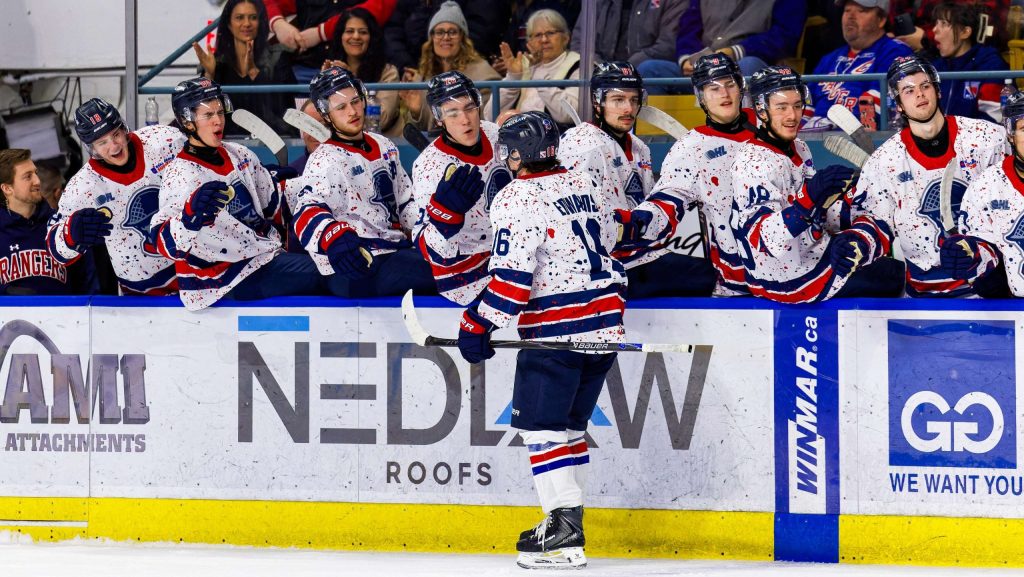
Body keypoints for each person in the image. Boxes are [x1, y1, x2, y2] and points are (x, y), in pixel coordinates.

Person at [456, 111, 625, 570]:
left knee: (541, 430)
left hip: (557, 332)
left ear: (519, 153)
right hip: (605, 326)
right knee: (569, 430)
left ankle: (564, 527)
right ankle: (567, 533)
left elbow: (512, 282)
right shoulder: (585, 181)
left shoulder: (516, 196)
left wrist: (477, 322)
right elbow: (610, 240)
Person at [150, 77, 332, 311]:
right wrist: (188, 218)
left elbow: (274, 203)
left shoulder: (238, 153)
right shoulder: (180, 175)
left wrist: (306, 182)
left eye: (220, 112)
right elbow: (160, 239)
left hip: (260, 259)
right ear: (187, 121)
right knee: (328, 271)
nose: (218, 121)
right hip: (221, 279)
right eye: (208, 115)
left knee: (329, 260)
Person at [731, 66, 904, 303]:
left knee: (871, 236)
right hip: (786, 281)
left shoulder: (799, 147)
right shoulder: (753, 163)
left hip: (805, 257)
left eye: (797, 105)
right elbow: (765, 239)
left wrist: (854, 198)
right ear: (761, 109)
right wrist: (811, 196)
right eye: (782, 107)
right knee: (893, 274)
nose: (792, 116)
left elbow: (818, 213)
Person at [843, 55, 1006, 298]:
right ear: (899, 104)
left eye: (925, 86)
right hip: (924, 295)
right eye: (908, 91)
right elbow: (875, 223)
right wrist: (859, 242)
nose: (919, 94)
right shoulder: (884, 161)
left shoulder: (987, 138)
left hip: (990, 290)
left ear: (938, 91)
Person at [560, 61, 716, 298]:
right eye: (618, 100)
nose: (628, 108)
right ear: (597, 101)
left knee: (711, 268)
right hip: (606, 264)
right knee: (706, 275)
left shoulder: (640, 147)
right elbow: (575, 218)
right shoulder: (581, 145)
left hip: (640, 253)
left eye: (634, 100)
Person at [290, 67, 437, 298]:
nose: (352, 111)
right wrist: (332, 237)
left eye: (355, 101)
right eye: (341, 107)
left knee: (451, 258)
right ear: (326, 115)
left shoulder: (384, 145)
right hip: (357, 263)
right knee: (448, 272)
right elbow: (306, 213)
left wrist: (434, 221)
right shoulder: (324, 159)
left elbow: (405, 204)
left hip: (391, 251)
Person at [617, 53, 756, 296]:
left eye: (730, 84)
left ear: (741, 87)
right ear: (700, 96)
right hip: (740, 279)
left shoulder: (770, 128)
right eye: (713, 88)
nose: (724, 94)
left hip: (793, 264)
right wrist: (635, 222)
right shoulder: (691, 148)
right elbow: (666, 200)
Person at [47, 99, 183, 297]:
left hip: (196, 267)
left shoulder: (162, 140)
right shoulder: (83, 187)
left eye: (116, 135)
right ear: (91, 147)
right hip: (143, 290)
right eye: (102, 143)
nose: (114, 146)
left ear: (123, 128)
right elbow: (55, 250)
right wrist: (70, 235)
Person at [411, 71, 512, 305]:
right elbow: (429, 249)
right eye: (452, 113)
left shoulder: (495, 134)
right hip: (467, 271)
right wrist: (446, 216)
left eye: (469, 108)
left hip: (511, 252)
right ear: (439, 118)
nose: (465, 120)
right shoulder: (428, 167)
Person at [936, 91, 1024, 297]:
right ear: (1010, 134)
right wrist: (971, 254)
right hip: (1013, 308)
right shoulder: (986, 186)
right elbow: (985, 254)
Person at [638, 0, 804, 94]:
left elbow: (786, 36)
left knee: (749, 65)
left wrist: (737, 51)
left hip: (753, 63)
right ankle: (654, 138)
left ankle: (746, 134)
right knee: (650, 69)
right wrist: (688, 58)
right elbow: (688, 27)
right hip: (705, 67)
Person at [193, 0, 297, 138]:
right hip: (226, 142)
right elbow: (204, 115)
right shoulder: (217, 63)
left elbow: (284, 115)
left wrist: (255, 74)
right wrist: (209, 75)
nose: (247, 23)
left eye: (253, 17)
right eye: (239, 17)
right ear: (229, 24)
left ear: (261, 22)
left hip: (272, 142)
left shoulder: (278, 58)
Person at [0, 149, 97, 295]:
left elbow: (88, 285)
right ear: (7, 188)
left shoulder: (63, 225)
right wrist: (6, 292)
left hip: (64, 310)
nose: (37, 181)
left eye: (36, 173)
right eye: (28, 176)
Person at [805, 0, 912, 131]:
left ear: (881, 20)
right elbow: (806, 104)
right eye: (847, 10)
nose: (851, 16)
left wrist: (838, 130)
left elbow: (875, 110)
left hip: (859, 138)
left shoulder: (895, 51)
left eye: (861, 11)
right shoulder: (829, 58)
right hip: (814, 137)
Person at [399, 1, 501, 132]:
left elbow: (486, 122)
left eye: (452, 32)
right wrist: (417, 112)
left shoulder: (483, 74)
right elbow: (420, 130)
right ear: (432, 38)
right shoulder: (424, 74)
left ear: (462, 37)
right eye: (439, 32)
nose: (446, 37)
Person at [265, 0, 396, 83]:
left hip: (358, 70)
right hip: (306, 69)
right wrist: (278, 23)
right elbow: (266, 3)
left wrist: (321, 32)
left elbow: (381, 5)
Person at [494, 9, 580, 131]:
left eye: (551, 33)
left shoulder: (579, 65)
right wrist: (513, 77)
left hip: (557, 137)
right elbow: (490, 115)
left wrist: (539, 72)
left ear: (566, 38)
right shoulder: (523, 64)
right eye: (538, 35)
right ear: (529, 42)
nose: (544, 40)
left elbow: (568, 115)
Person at [323, 7, 401, 134]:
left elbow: (382, 119)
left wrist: (351, 81)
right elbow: (322, 118)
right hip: (343, 142)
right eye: (349, 31)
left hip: (383, 141)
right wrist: (323, 85)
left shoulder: (388, 72)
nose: (356, 36)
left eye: (363, 32)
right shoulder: (332, 71)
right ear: (340, 36)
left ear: (372, 37)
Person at [930, 2, 1008, 124]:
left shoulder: (991, 66)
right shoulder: (935, 67)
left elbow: (993, 120)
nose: (934, 29)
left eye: (944, 23)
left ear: (965, 32)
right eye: (936, 23)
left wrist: (955, 132)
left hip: (977, 136)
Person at [384, 0, 512, 72]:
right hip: (421, 70)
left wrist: (450, 62)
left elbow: (482, 31)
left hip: (464, 68)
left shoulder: (484, 76)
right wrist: (407, 66)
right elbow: (393, 32)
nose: (445, 37)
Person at [568, 0, 687, 68]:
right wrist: (602, 68)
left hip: (644, 71)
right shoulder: (596, 2)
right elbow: (580, 43)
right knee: (579, 71)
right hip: (602, 70)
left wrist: (626, 68)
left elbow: (668, 45)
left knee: (649, 69)